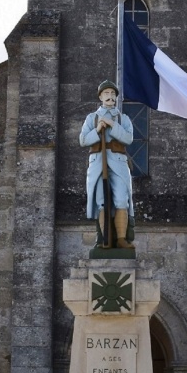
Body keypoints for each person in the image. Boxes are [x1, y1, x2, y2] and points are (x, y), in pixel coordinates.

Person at [79, 79, 135, 249]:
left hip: (118, 162)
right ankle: (104, 239)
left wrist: (112, 124)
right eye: (106, 94)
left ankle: (121, 239)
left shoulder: (123, 118)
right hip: (97, 163)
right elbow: (83, 140)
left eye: (112, 94)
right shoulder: (92, 118)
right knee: (101, 201)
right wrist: (97, 129)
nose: (110, 97)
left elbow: (128, 138)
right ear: (100, 97)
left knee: (121, 199)